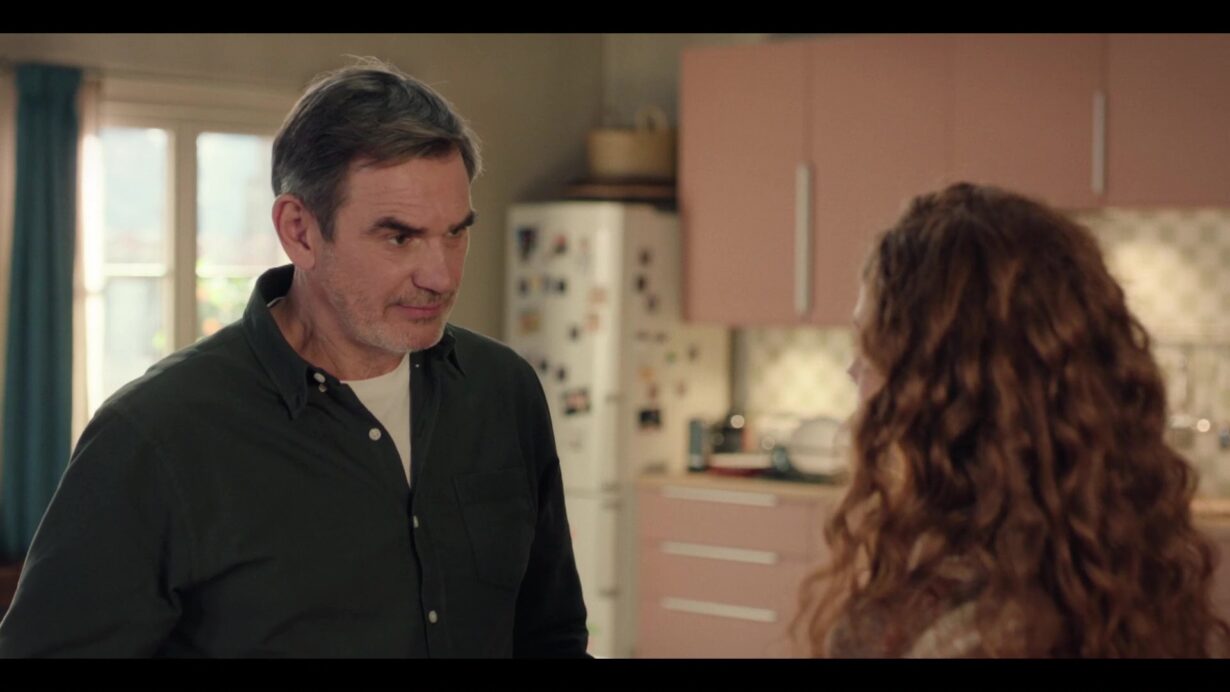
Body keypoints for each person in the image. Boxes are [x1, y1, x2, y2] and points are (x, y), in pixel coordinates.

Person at [0, 59, 589, 657]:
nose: (440, 275)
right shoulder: (155, 435)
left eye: (456, 233)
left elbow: (551, 638)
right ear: (300, 231)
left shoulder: (504, 391)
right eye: (400, 237)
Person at [793, 182, 1230, 658]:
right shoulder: (1112, 575)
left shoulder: (962, 630)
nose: (854, 372)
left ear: (945, 390)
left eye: (870, 348)